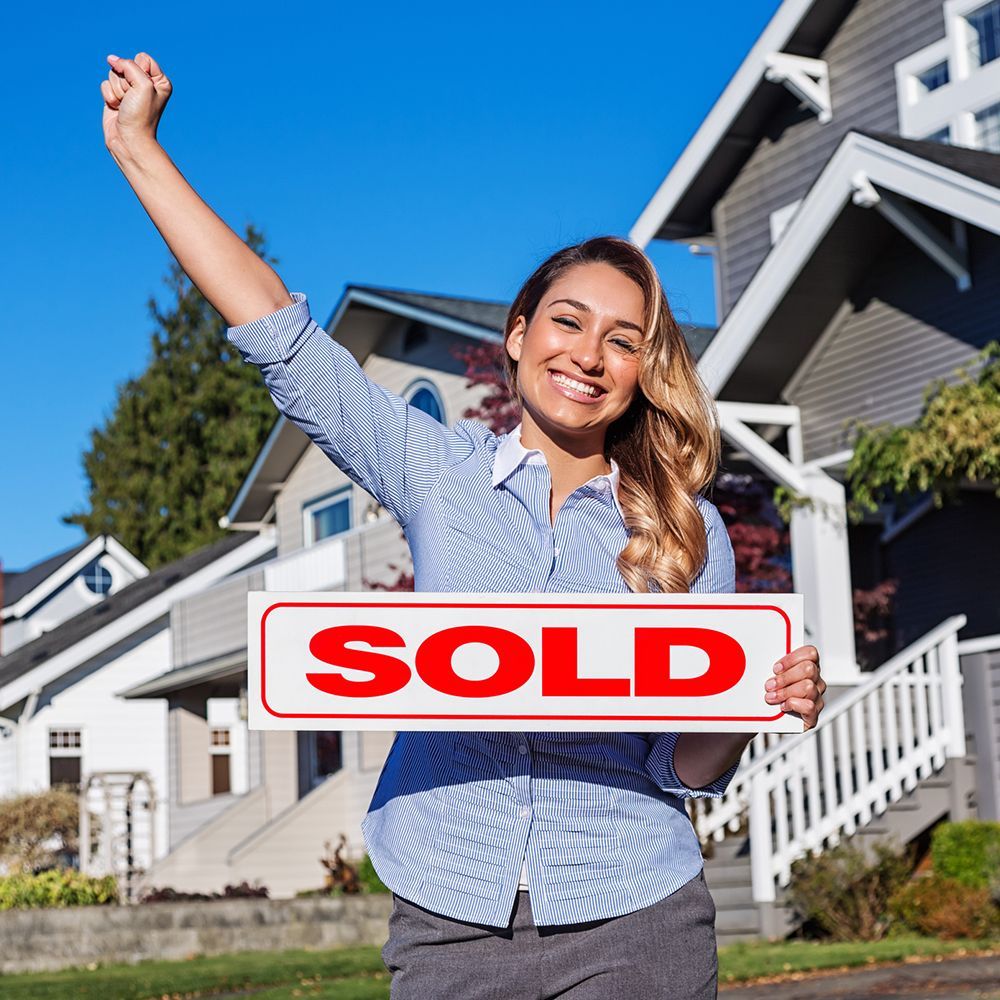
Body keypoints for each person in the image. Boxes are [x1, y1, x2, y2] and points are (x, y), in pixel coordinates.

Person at [100, 52, 827, 998]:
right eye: (567, 323)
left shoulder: (688, 533)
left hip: (636, 911)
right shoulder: (433, 468)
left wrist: (748, 705)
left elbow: (682, 771)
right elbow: (279, 331)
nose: (589, 356)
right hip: (448, 911)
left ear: (645, 371)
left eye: (623, 341)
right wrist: (138, 149)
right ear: (519, 335)